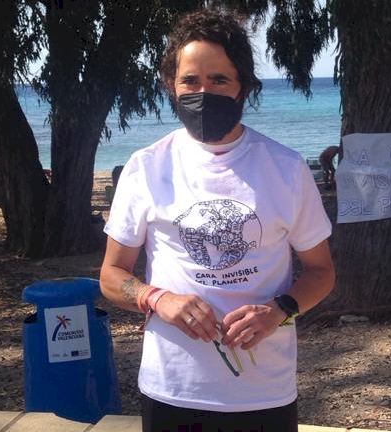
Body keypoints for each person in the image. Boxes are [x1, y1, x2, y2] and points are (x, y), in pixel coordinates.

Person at [99, 9, 335, 432]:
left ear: (243, 85)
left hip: (265, 393)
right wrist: (158, 298)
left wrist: (279, 310)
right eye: (190, 80)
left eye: (219, 80)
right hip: (173, 389)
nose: (203, 92)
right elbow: (112, 276)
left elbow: (321, 272)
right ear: (171, 85)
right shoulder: (146, 167)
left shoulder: (285, 167)